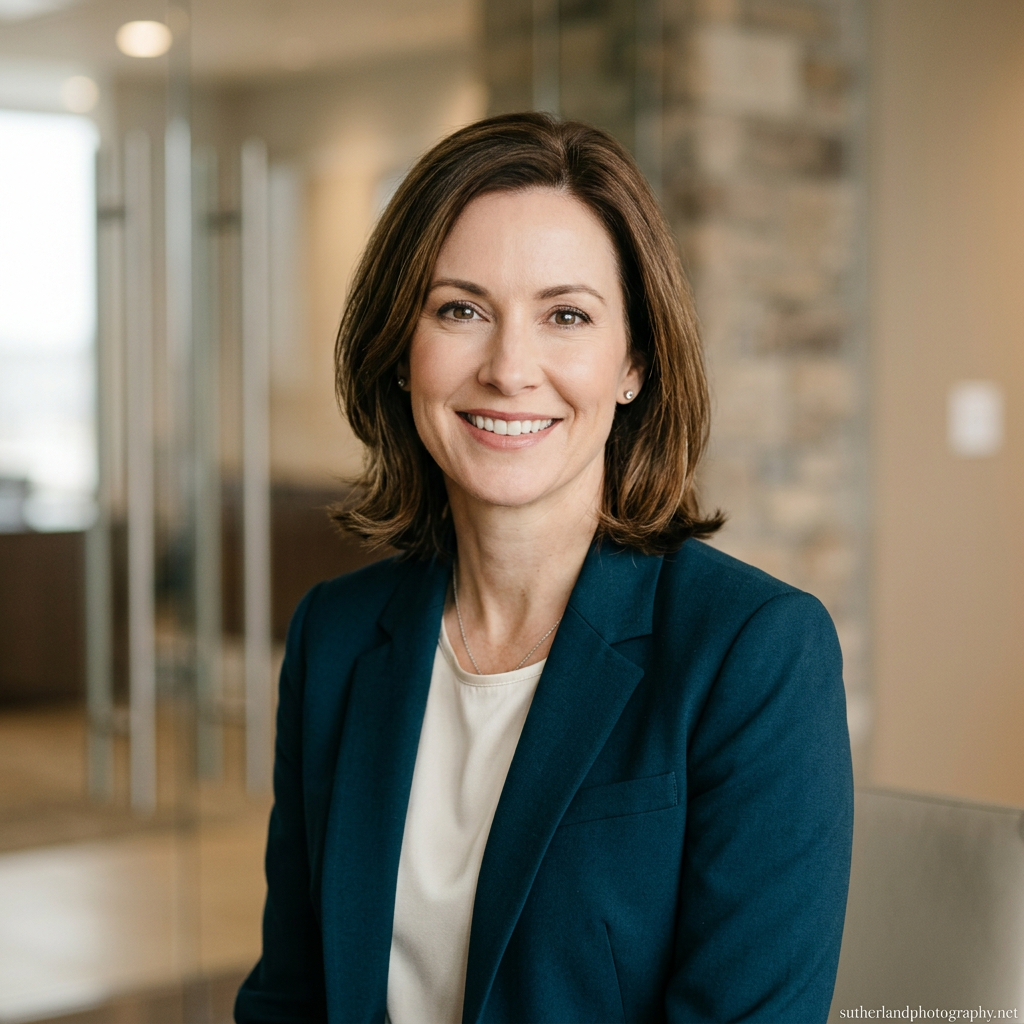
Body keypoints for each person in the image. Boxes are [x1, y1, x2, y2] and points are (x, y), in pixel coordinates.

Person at [235, 112, 853, 1024]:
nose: (510, 368)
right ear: (403, 354)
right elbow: (290, 995)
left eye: (566, 315)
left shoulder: (753, 653)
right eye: (461, 310)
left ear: (634, 360)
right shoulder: (334, 635)